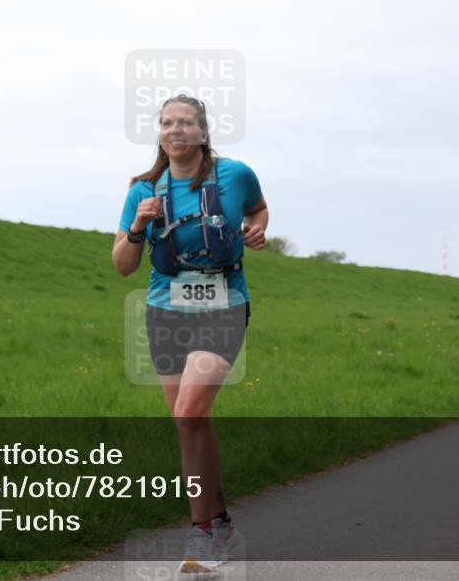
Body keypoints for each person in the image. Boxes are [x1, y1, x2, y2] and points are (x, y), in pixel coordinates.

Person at [112, 95, 268, 573]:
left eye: (185, 123)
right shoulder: (143, 189)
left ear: (202, 132)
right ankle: (218, 523)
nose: (174, 130)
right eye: (166, 123)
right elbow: (123, 265)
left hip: (223, 306)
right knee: (189, 424)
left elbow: (259, 210)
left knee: (189, 409)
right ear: (159, 133)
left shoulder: (235, 174)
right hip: (166, 312)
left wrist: (257, 230)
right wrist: (138, 226)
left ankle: (203, 534)